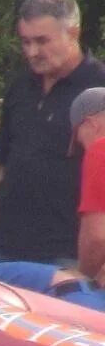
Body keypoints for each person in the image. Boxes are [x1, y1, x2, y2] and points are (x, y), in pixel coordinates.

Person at [0, 0, 105, 267]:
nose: (32, 52)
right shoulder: (21, 86)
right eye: (25, 42)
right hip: (6, 247)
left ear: (74, 33)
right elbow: (1, 163)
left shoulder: (98, 89)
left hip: (68, 255)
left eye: (42, 41)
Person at [71, 86, 105, 281]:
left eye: (79, 138)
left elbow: (97, 239)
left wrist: (82, 279)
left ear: (91, 125)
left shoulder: (100, 151)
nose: (82, 148)